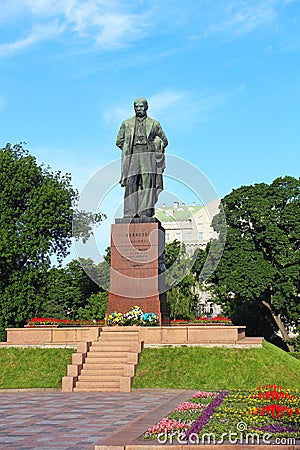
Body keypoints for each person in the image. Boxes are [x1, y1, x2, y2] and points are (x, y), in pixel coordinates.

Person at [116, 97, 168, 218]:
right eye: (136, 106)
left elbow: (164, 140)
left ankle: (145, 212)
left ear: (146, 107)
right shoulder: (126, 123)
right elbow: (119, 141)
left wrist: (157, 143)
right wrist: (127, 147)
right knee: (131, 183)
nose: (138, 108)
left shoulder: (154, 124)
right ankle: (130, 212)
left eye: (141, 106)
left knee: (147, 183)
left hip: (147, 155)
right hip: (133, 155)